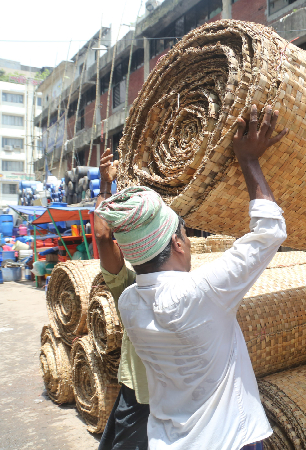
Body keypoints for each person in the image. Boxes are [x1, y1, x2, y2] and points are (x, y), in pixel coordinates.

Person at [95, 104, 288, 450]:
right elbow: (269, 232)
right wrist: (249, 160)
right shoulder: (202, 293)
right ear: (177, 243)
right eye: (185, 233)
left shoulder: (129, 303)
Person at [93, 147, 151, 450]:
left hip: (172, 398)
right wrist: (106, 187)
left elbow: (105, 235)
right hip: (141, 397)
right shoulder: (130, 287)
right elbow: (104, 236)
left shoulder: (190, 287)